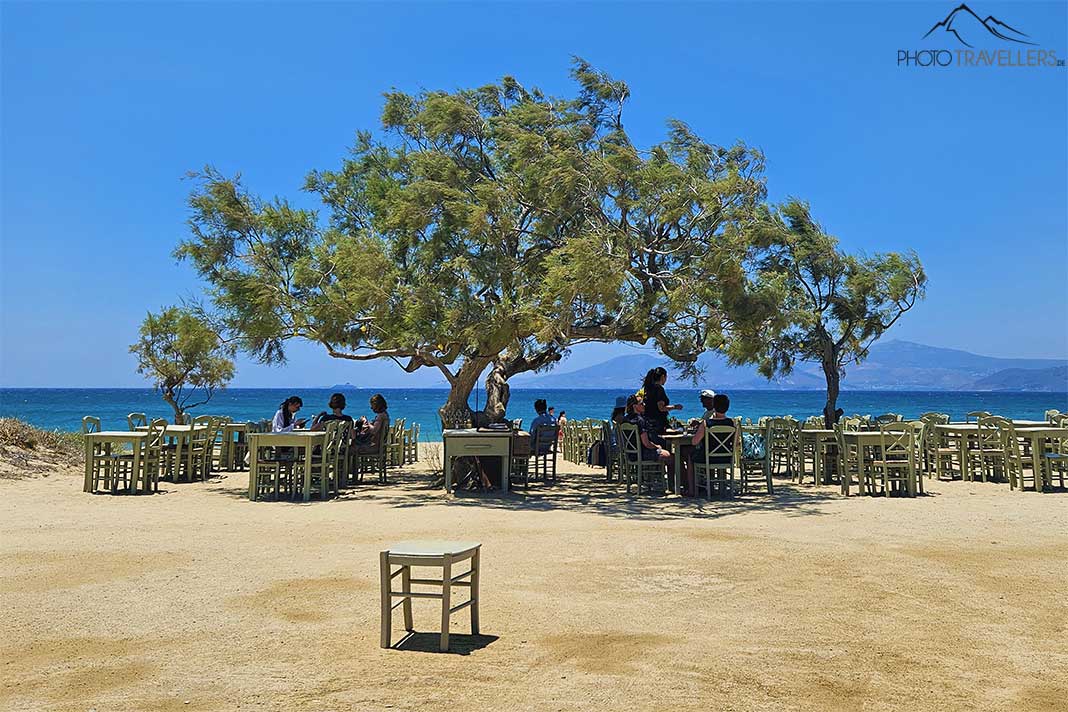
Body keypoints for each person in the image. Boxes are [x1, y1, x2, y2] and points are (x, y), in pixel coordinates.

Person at [688, 393, 737, 494]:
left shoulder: (706, 424)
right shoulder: (732, 423)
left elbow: (694, 442)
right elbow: (736, 444)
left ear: (714, 406)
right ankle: (721, 489)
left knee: (690, 456)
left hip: (708, 458)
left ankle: (692, 490)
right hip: (726, 458)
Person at [622, 395, 671, 464]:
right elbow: (646, 443)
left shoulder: (625, 419)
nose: (644, 405)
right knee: (669, 456)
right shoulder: (640, 421)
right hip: (642, 454)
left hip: (630, 455)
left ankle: (653, 474)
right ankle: (671, 474)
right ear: (635, 406)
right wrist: (657, 446)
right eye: (641, 403)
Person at [641, 367, 683, 435]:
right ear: (663, 376)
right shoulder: (659, 389)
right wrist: (675, 407)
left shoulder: (647, 389)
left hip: (648, 423)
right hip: (658, 424)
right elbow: (661, 408)